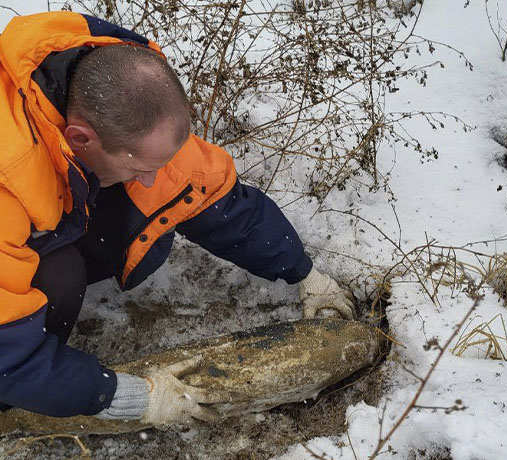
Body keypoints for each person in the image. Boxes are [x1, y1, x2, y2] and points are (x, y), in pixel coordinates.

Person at [0, 11, 355, 427]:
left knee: (152, 206)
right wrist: (124, 397)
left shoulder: (126, 111)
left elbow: (209, 198)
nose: (152, 178)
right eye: (138, 167)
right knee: (60, 275)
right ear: (81, 138)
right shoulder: (10, 178)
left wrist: (305, 274)